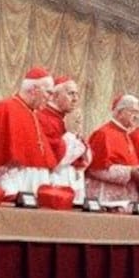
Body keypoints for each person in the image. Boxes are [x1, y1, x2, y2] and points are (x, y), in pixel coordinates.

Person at [0, 66, 57, 195]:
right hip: (14, 183)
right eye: (48, 92)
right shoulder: (5, 108)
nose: (50, 98)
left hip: (34, 184)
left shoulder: (33, 113)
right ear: (34, 89)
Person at [85, 94, 139, 208]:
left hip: (126, 198)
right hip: (106, 199)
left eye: (138, 113)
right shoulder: (103, 133)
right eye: (133, 112)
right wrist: (130, 173)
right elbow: (95, 169)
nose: (136, 117)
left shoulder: (127, 135)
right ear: (120, 113)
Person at [37, 74, 89, 203]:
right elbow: (54, 160)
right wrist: (71, 132)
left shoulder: (62, 119)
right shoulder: (42, 117)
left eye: (77, 94)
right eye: (71, 93)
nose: (76, 99)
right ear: (55, 95)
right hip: (50, 183)